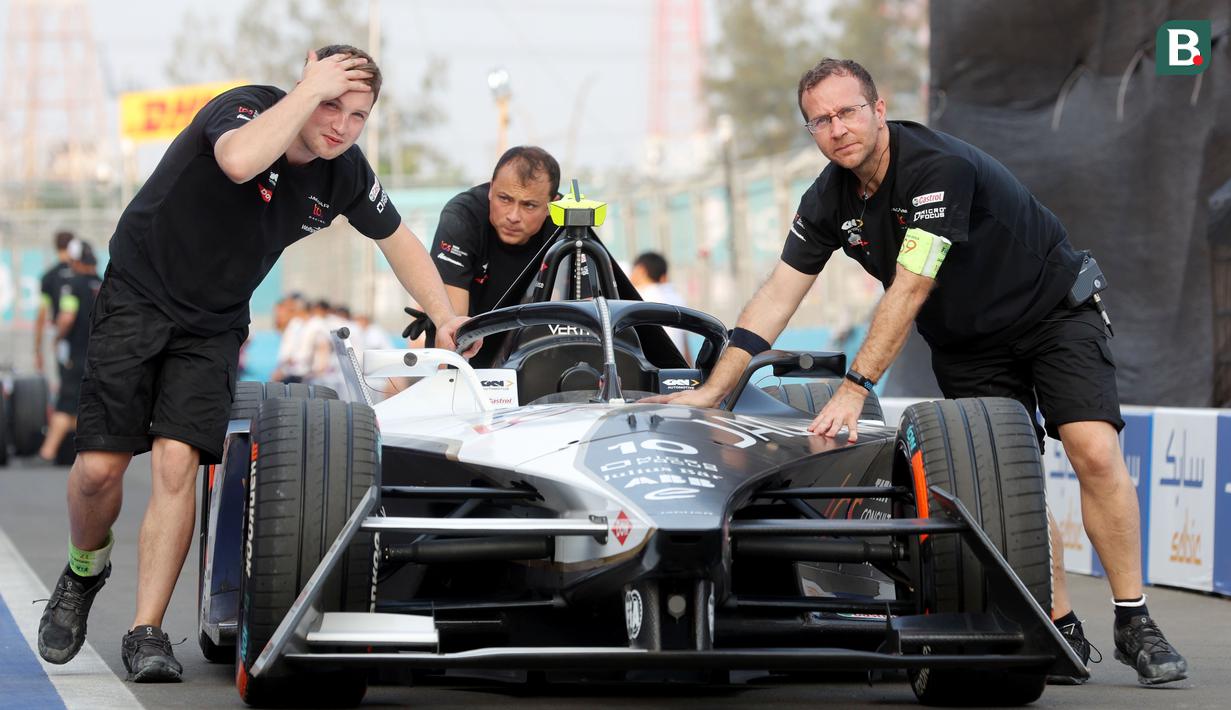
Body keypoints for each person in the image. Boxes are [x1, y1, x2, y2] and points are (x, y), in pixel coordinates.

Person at [649, 58, 1186, 686]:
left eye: (848, 111)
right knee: (1013, 485)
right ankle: (1056, 621)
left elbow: (909, 288)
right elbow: (777, 294)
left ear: (879, 109)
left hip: (1051, 314)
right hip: (968, 346)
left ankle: (1135, 620)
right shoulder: (826, 199)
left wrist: (856, 388)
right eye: (820, 121)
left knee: (1093, 451)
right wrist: (717, 387)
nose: (837, 128)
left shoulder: (938, 168)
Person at [37, 44, 472, 683]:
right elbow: (239, 162)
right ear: (303, 83)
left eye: (357, 115)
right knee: (99, 471)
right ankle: (83, 571)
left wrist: (445, 315)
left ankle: (146, 630)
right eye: (331, 104)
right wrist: (306, 93)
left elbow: (397, 238)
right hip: (138, 294)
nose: (340, 126)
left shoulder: (344, 171)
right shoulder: (245, 109)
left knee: (177, 459)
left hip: (213, 321)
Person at [430, 146, 561, 319]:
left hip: (532, 341)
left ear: (552, 205)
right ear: (491, 189)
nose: (513, 216)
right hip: (467, 339)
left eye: (529, 205)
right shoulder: (462, 218)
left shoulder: (569, 222)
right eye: (505, 199)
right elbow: (454, 327)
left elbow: (591, 312)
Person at [37, 240, 102, 463]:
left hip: (76, 353)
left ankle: (47, 453)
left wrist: (57, 338)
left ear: (76, 260)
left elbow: (66, 317)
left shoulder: (73, 284)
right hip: (100, 354)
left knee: (65, 404)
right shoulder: (102, 284)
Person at [629, 251, 691, 364]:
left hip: (649, 369)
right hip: (677, 368)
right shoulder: (677, 298)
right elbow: (685, 343)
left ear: (640, 270)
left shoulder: (635, 298)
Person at [34, 231, 76, 375]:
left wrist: (38, 350)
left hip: (61, 336)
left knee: (66, 380)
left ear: (55, 247)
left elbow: (41, 316)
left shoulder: (49, 277)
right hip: (85, 337)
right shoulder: (83, 273)